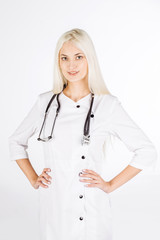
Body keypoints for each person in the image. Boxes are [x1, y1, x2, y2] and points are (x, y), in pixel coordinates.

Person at [8, 28, 157, 240]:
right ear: (57, 62)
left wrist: (110, 185)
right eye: (64, 58)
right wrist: (33, 178)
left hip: (92, 210)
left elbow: (146, 151)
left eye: (79, 57)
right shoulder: (45, 102)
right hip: (54, 206)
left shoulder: (107, 105)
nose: (71, 65)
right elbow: (16, 142)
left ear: (90, 59)